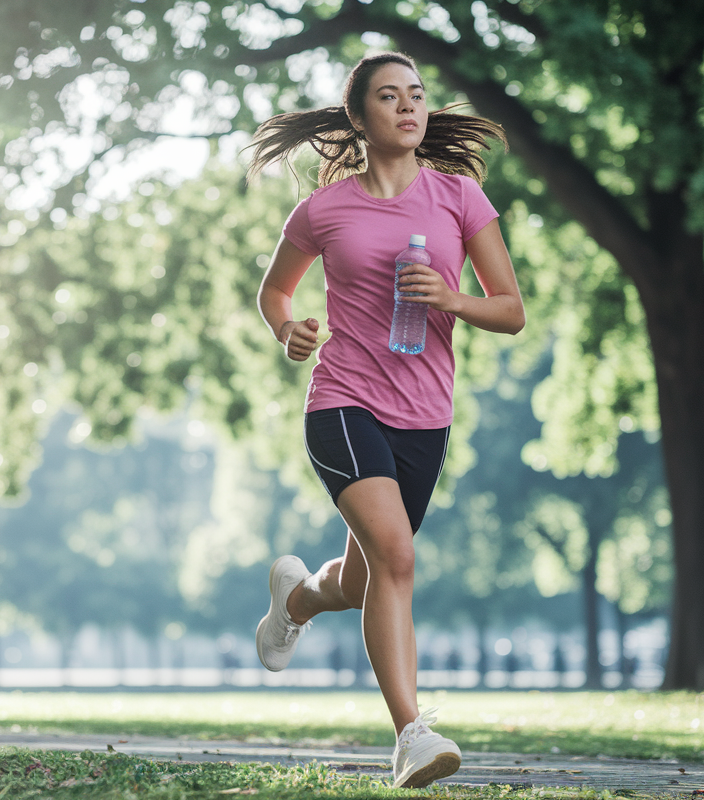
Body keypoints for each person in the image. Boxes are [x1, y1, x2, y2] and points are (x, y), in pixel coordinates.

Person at [247, 52, 525, 789]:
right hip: (342, 402)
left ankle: (297, 599)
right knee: (398, 559)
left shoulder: (460, 198)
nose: (409, 107)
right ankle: (412, 733)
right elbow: (274, 292)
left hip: (424, 417)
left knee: (369, 575)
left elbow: (511, 310)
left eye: (417, 95)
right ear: (359, 117)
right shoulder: (323, 210)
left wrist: (451, 297)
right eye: (389, 97)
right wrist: (288, 331)